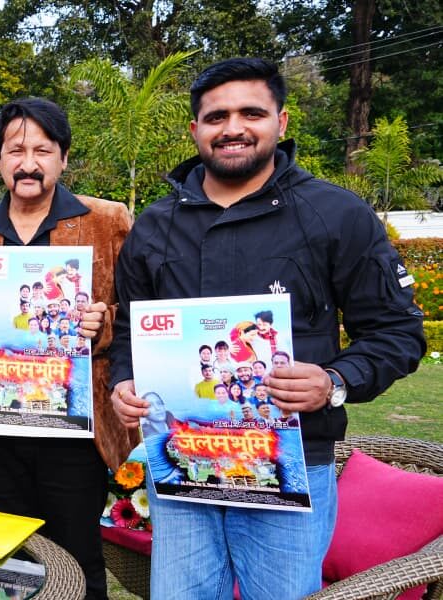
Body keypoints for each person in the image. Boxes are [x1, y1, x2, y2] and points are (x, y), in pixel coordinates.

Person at [108, 58, 424, 599]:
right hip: (182, 465)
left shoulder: (336, 214)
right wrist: (123, 382)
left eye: (250, 113)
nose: (232, 128)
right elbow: (127, 332)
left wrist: (334, 381)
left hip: (288, 466)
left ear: (281, 121)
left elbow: (398, 331)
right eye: (217, 117)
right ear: (195, 129)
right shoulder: (156, 226)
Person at [0, 97, 137, 600]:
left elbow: (141, 314)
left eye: (42, 151)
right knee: (15, 558)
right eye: (15, 150)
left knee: (78, 559)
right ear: (0, 160)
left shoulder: (106, 221)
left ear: (63, 158)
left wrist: (104, 324)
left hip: (75, 427)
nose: (28, 163)